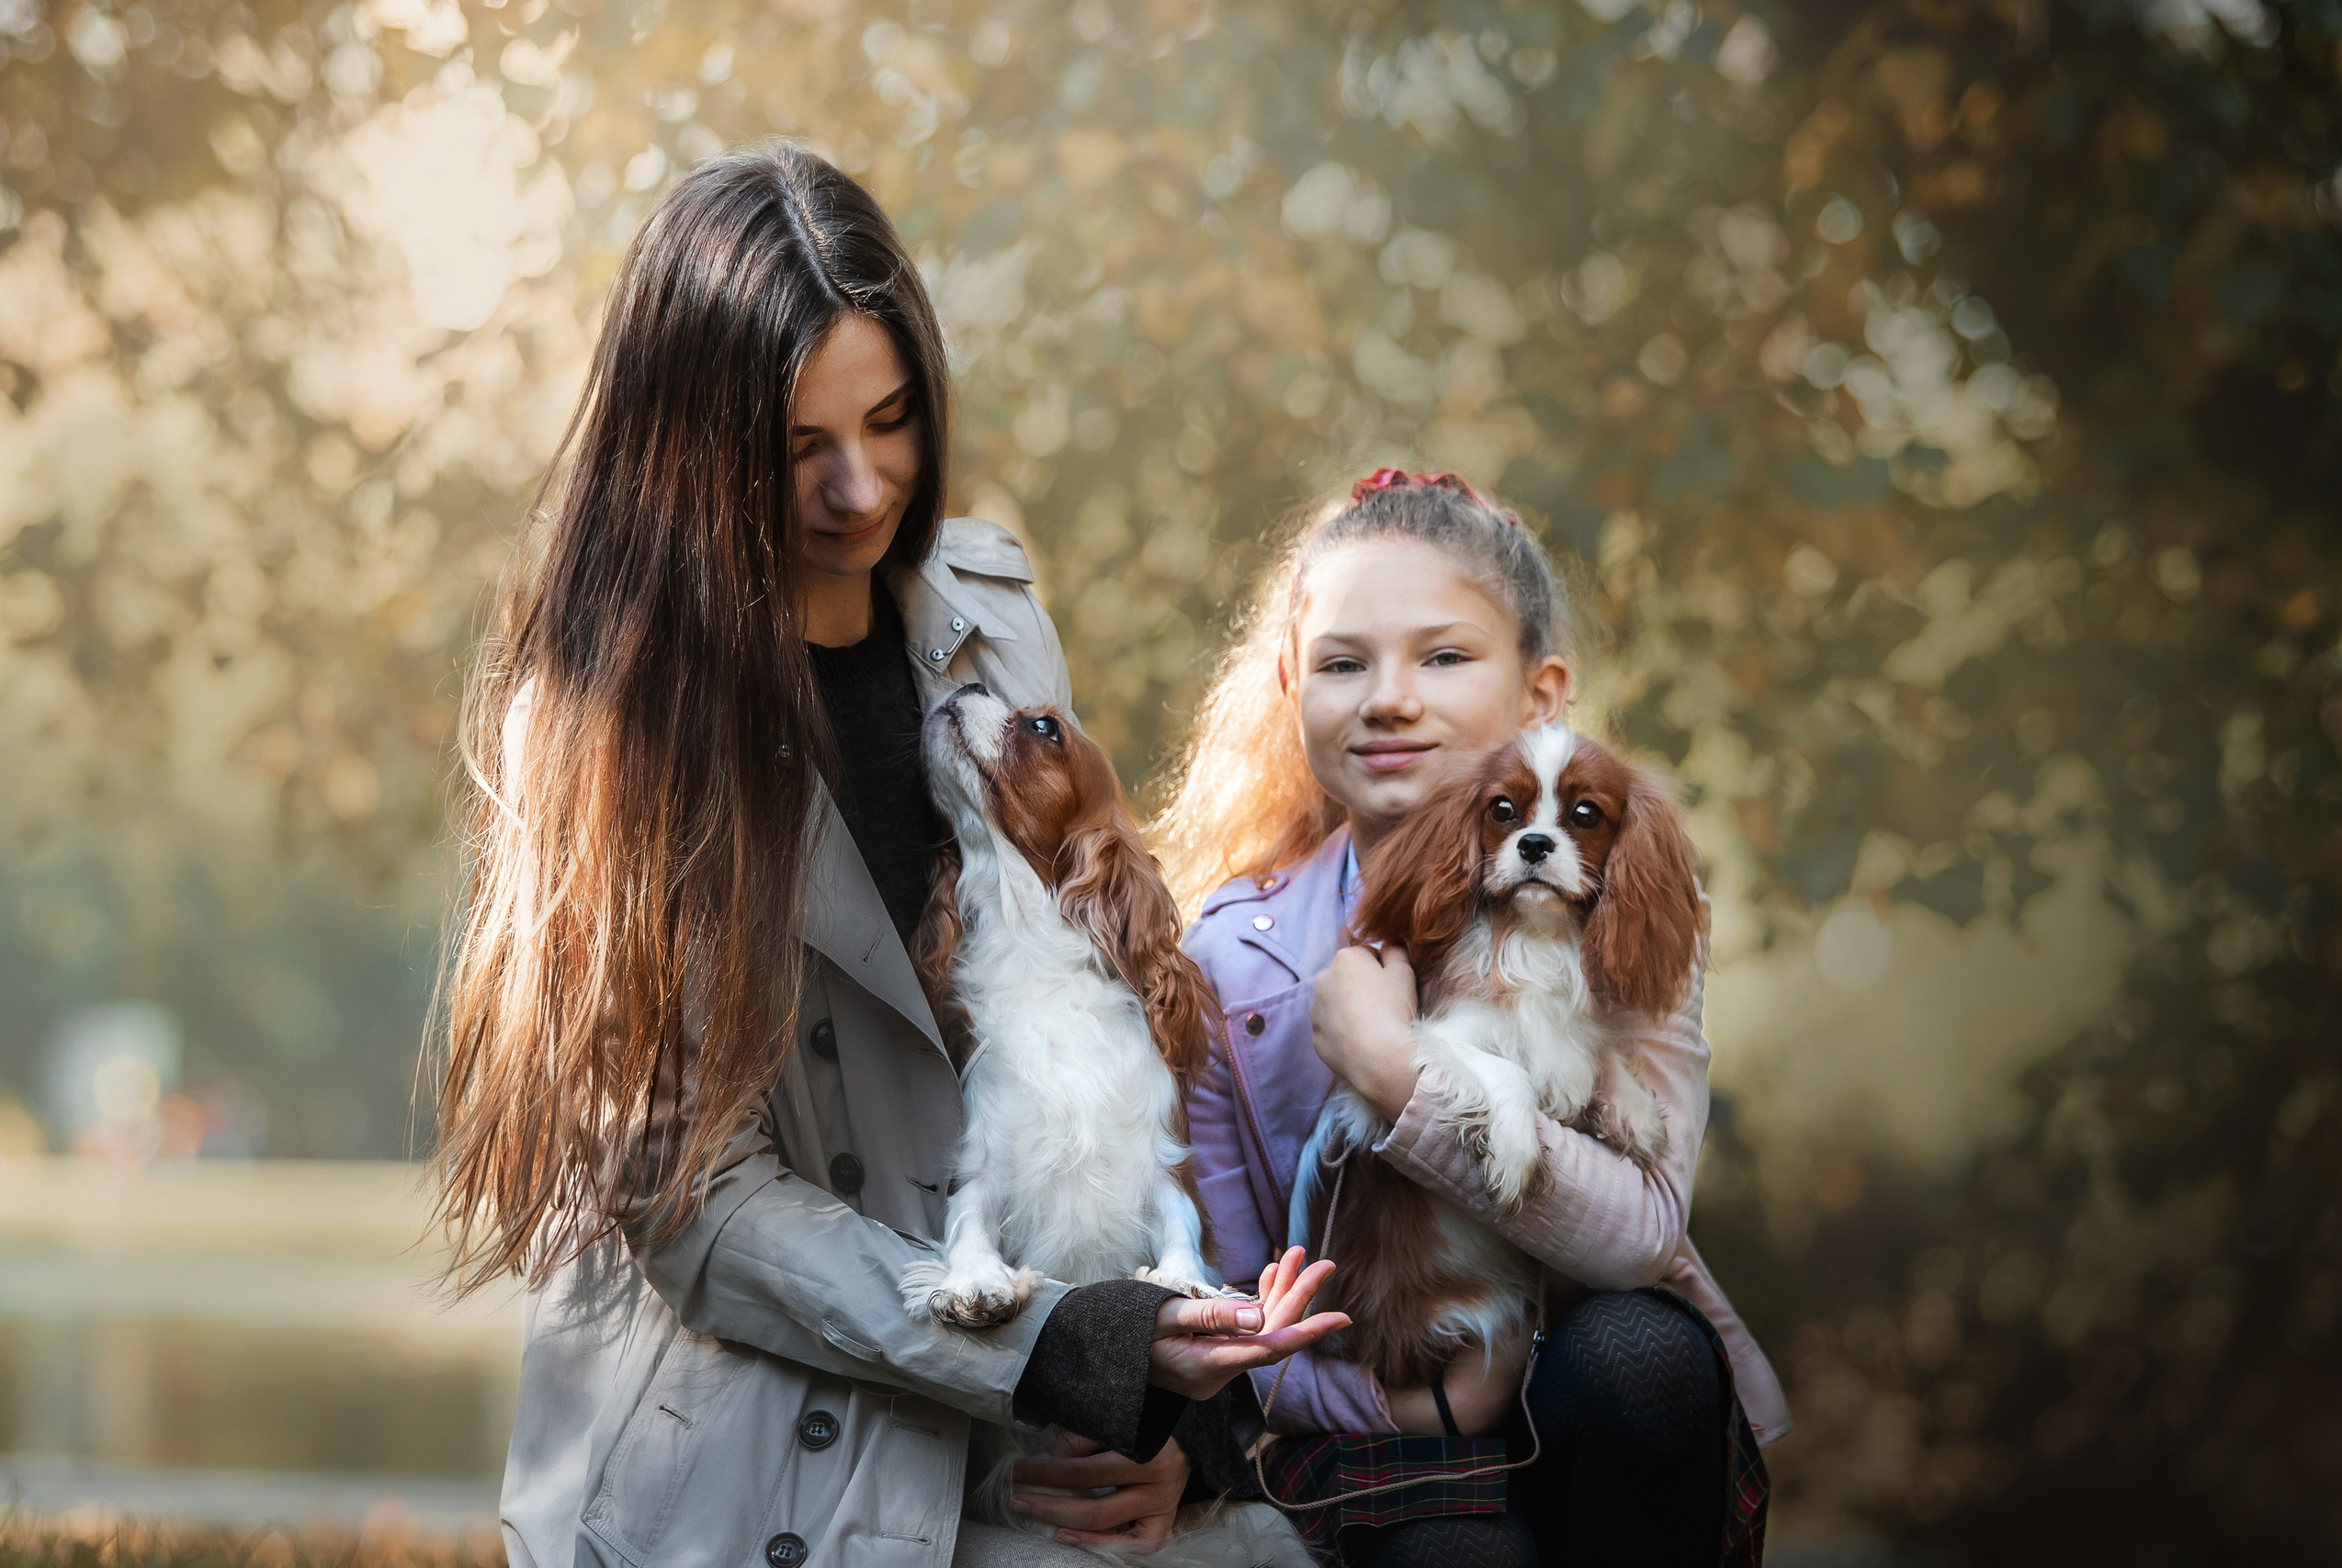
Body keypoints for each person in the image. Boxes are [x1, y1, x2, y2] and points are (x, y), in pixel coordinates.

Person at [430, 143, 1345, 1568]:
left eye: (893, 418)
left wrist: (1171, 1424)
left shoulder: (986, 620)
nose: (862, 487)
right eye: (800, 445)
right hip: (755, 1421)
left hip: (1016, 1374)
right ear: (692, 445)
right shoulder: (611, 721)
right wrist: (1069, 1349)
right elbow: (701, 1211)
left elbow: (1070, 1040)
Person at [1155, 469, 1791, 1566]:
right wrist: (1410, 1415)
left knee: (1648, 1355)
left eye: (1443, 657)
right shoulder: (1229, 954)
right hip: (1377, 1410)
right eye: (1342, 663)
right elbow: (1225, 1290)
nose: (1388, 698)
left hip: (1591, 1384)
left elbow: (1643, 1232)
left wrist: (1392, 1068)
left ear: (1541, 692)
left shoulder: (1627, 903)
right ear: (1287, 685)